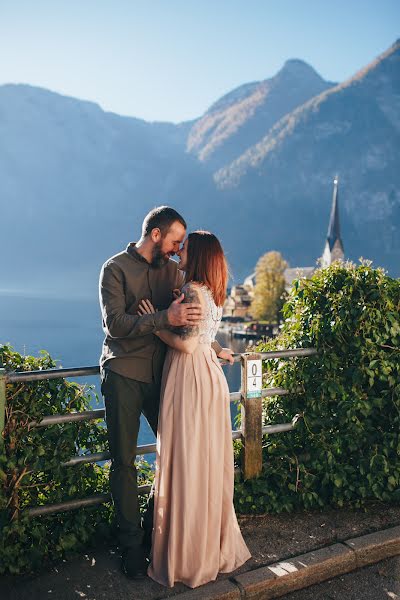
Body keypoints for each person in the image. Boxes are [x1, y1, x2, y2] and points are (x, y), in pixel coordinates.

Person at [99, 207, 227, 579]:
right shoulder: (114, 269)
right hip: (123, 372)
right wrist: (162, 318)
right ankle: (131, 547)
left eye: (180, 246)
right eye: (173, 241)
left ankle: (156, 532)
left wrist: (214, 347)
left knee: (177, 455)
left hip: (165, 380)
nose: (176, 250)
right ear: (156, 235)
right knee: (123, 462)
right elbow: (116, 325)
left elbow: (194, 324)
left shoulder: (174, 272)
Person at [138, 231, 251, 588]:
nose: (179, 252)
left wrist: (155, 324)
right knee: (205, 461)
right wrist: (220, 351)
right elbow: (204, 337)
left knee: (186, 459)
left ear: (197, 255)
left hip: (188, 376)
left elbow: (186, 346)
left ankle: (187, 555)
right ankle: (207, 547)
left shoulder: (192, 291)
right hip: (210, 378)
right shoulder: (213, 293)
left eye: (184, 248)